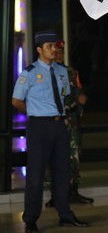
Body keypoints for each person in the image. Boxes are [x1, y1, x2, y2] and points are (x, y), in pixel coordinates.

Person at [12, 30, 89, 233]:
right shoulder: (29, 73)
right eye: (49, 46)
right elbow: (16, 100)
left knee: (62, 173)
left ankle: (65, 215)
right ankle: (30, 220)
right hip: (39, 127)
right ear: (39, 50)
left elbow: (65, 96)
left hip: (60, 125)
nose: (54, 49)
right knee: (36, 175)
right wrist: (35, 113)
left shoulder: (62, 71)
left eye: (55, 46)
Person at [45, 39, 93, 207]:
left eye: (61, 52)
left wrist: (81, 98)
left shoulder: (71, 72)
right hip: (53, 121)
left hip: (71, 121)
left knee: (74, 155)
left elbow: (78, 90)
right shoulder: (43, 73)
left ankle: (72, 190)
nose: (58, 55)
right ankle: (55, 194)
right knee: (53, 157)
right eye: (55, 52)